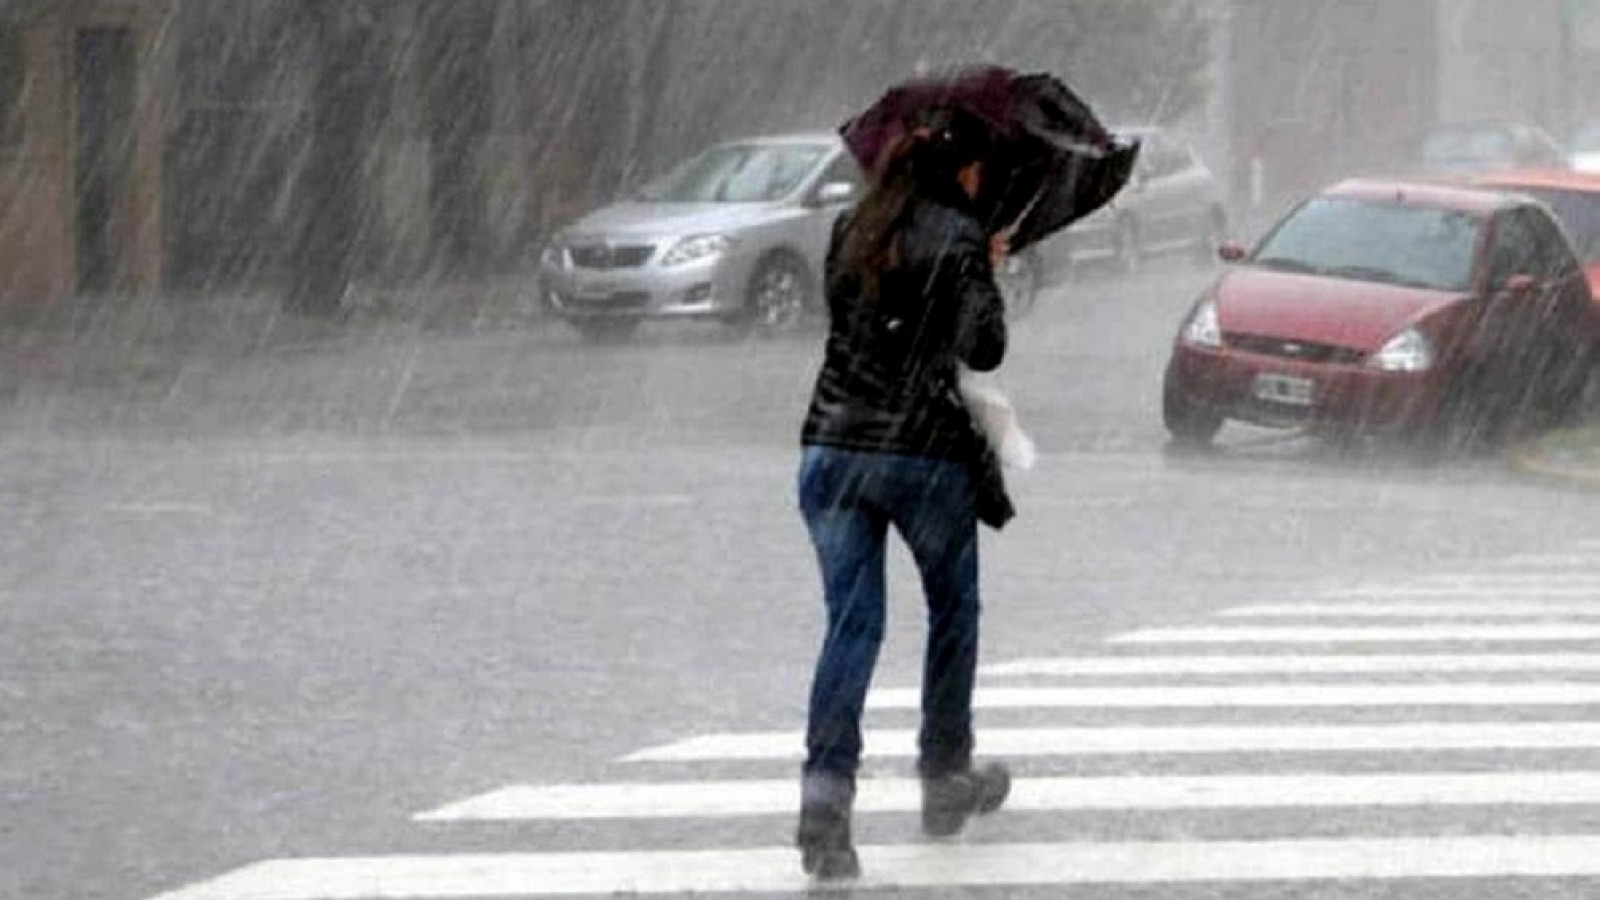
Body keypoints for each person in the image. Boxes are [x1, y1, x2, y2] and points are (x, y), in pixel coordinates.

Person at [795, 110, 1012, 880]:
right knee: (953, 610)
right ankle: (944, 775)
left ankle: (824, 804)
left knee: (851, 628)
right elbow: (982, 346)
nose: (983, 182)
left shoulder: (851, 228)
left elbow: (855, 328)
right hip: (921, 456)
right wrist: (986, 267)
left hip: (832, 450)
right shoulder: (958, 236)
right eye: (980, 171)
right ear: (961, 172)